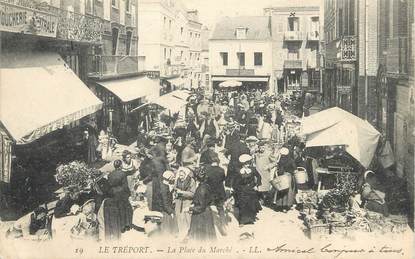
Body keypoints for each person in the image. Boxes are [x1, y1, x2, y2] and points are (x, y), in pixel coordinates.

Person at [187, 167, 216, 241]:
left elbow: (201, 207)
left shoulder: (201, 189)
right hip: (206, 213)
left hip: (202, 216)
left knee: (201, 238)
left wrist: (189, 208)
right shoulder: (206, 185)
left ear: (196, 178)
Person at [233, 154, 262, 226]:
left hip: (251, 189)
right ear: (242, 164)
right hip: (242, 190)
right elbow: (235, 181)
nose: (247, 165)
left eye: (248, 163)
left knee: (251, 204)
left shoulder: (252, 169)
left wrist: (256, 185)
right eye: (246, 163)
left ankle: (250, 220)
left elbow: (259, 177)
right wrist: (235, 189)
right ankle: (242, 221)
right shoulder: (238, 171)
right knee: (242, 205)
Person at [204, 150, 227, 236]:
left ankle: (208, 226)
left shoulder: (207, 170)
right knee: (220, 209)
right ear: (218, 161)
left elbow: (205, 181)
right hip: (220, 192)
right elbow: (223, 179)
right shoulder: (221, 170)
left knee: (207, 207)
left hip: (210, 192)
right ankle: (224, 227)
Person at [107, 159, 133, 233]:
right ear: (121, 165)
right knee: (123, 209)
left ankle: (118, 225)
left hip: (113, 193)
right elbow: (125, 186)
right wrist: (129, 194)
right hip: (121, 193)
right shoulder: (123, 174)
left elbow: (109, 185)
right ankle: (125, 225)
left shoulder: (110, 174)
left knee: (117, 209)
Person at [174, 167, 196, 240]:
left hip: (187, 202)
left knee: (187, 218)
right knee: (179, 217)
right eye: (180, 175)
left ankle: (187, 234)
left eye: (182, 176)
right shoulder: (177, 180)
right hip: (179, 201)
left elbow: (193, 193)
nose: (181, 177)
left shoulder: (191, 181)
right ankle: (181, 232)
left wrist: (182, 193)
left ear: (186, 175)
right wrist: (176, 192)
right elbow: (175, 188)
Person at [273, 147, 296, 212]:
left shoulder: (280, 159)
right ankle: (286, 206)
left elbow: (278, 167)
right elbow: (294, 168)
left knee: (281, 190)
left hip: (281, 176)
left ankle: (279, 205)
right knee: (288, 191)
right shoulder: (291, 160)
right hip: (288, 176)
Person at [255, 141, 277, 206]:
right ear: (258, 147)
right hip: (257, 173)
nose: (262, 149)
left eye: (263, 147)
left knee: (265, 187)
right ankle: (260, 199)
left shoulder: (268, 153)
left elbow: (274, 162)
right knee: (258, 186)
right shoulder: (256, 154)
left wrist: (268, 166)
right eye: (260, 147)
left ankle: (265, 200)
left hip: (265, 173)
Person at [159, 170, 178, 236]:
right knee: (167, 227)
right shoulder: (164, 188)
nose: (173, 179)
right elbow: (165, 203)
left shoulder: (164, 185)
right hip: (166, 211)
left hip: (166, 209)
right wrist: (170, 212)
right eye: (172, 177)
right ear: (169, 178)